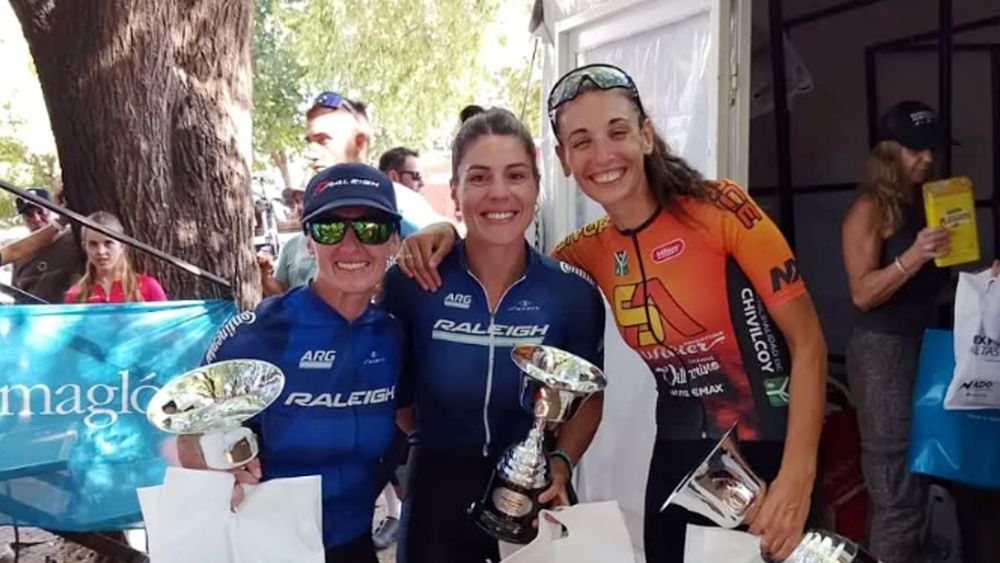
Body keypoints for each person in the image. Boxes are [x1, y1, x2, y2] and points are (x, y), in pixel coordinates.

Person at [397, 64, 827, 563]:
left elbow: (809, 342)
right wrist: (446, 238)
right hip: (679, 462)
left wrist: (800, 474)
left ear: (645, 135)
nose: (602, 155)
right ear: (562, 160)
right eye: (581, 141)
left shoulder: (722, 208)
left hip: (770, 449)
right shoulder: (586, 251)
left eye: (617, 132)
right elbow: (507, 253)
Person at [382, 107, 605, 563]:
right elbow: (399, 399)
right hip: (434, 500)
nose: (499, 192)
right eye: (479, 178)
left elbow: (588, 397)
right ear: (457, 194)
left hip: (533, 496)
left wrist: (560, 463)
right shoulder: (413, 284)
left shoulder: (572, 292)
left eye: (516, 175)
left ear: (536, 188)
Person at [179, 163, 405, 563]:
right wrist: (214, 460)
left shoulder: (395, 336)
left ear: (393, 241)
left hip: (354, 545)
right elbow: (185, 438)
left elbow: (407, 429)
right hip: (267, 548)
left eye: (371, 228)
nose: (351, 245)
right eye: (329, 228)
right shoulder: (257, 332)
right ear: (306, 243)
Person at [840, 100, 954, 563]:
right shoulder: (869, 208)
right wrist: (914, 256)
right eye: (914, 149)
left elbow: (934, 290)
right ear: (889, 152)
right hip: (883, 352)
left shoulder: (929, 202)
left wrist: (983, 280)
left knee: (923, 477)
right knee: (895, 491)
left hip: (927, 345)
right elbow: (863, 294)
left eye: (932, 149)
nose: (926, 158)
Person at [260, 92, 446, 297]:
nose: (311, 153)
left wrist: (445, 229)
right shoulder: (315, 203)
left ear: (359, 143)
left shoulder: (395, 199)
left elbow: (452, 239)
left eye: (323, 140)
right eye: (309, 141)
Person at [64, 211, 166, 303]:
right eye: (93, 244)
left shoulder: (148, 287)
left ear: (122, 245)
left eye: (108, 243)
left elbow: (166, 322)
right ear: (84, 246)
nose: (101, 251)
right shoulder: (75, 295)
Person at [10, 188, 84, 303]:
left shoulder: (75, 239)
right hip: (32, 317)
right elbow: (16, 294)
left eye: (41, 212)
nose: (37, 219)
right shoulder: (19, 252)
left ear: (52, 210)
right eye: (29, 215)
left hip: (69, 315)